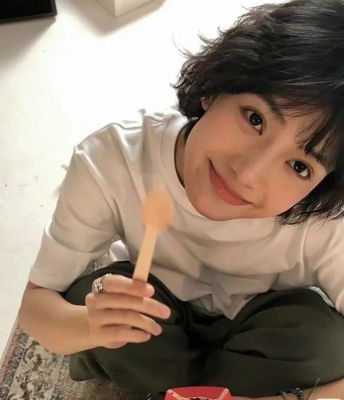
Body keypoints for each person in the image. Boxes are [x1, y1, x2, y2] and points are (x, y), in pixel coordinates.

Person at [17, 0, 344, 399]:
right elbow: (37, 306)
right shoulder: (115, 160)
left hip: (261, 328)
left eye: (299, 166)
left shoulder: (328, 221)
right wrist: (92, 325)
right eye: (255, 118)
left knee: (325, 342)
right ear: (216, 87)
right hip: (156, 320)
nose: (248, 174)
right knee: (95, 299)